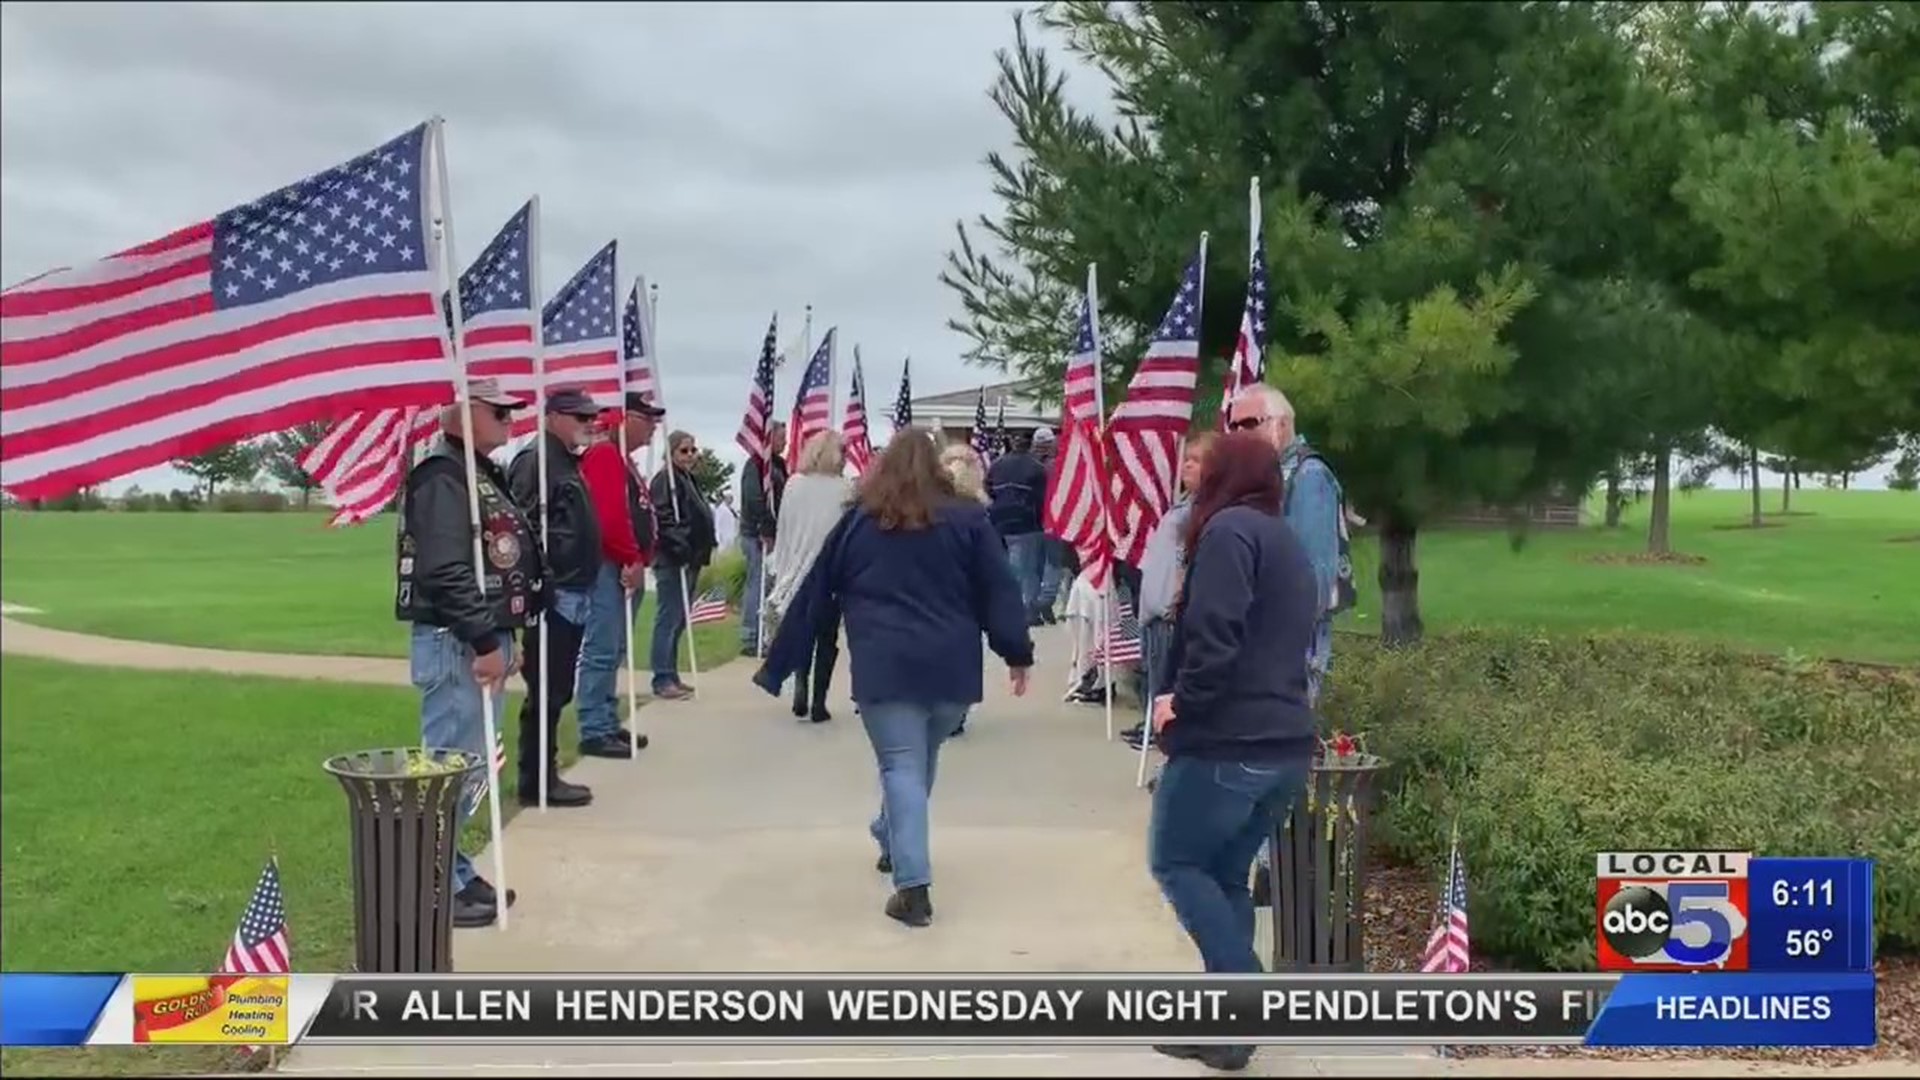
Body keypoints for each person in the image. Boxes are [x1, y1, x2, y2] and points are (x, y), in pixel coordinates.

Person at [752, 431, 1033, 928]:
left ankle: (913, 887)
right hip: (951, 669)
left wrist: (779, 663)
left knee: (903, 766)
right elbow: (1000, 589)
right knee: (918, 760)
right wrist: (1015, 651)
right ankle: (892, 834)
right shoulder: (969, 520)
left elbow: (817, 592)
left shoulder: (859, 523)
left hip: (885, 665)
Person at [1146, 432, 1319, 1073]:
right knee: (1223, 876)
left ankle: (1242, 1002)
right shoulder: (1286, 542)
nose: (1193, 480)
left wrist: (1179, 703)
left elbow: (1215, 636)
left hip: (1229, 741)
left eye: (1204, 469)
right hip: (1285, 745)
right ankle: (1224, 1025)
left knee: (1175, 862)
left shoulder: (1227, 535)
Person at [394, 379, 543, 928]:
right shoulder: (442, 476)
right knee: (446, 768)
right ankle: (431, 885)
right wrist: (485, 639)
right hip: (455, 641)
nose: (509, 418)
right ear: (461, 413)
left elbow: (500, 563)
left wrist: (508, 635)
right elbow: (445, 569)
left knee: (468, 768)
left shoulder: (479, 475)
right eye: (498, 410)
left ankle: (452, 870)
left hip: (478, 637)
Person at [1225, 384, 1349, 906]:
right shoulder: (1269, 481)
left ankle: (1276, 872)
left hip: (1292, 651)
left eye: (1246, 425)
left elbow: (1316, 581)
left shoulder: (1310, 479)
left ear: (1279, 424)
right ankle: (1263, 867)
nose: (1236, 436)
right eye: (1231, 427)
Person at [502, 387, 601, 807]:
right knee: (547, 687)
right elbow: (520, 528)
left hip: (574, 589)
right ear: (556, 417)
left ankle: (544, 773)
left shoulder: (566, 463)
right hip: (556, 591)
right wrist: (544, 579)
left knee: (558, 686)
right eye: (580, 418)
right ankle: (536, 779)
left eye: (590, 418)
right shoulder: (537, 462)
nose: (588, 425)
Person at [575, 391, 666, 758]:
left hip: (622, 564)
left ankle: (607, 721)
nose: (653, 428)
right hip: (608, 565)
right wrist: (630, 558)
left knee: (615, 648)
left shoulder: (621, 459)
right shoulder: (605, 454)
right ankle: (594, 726)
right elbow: (609, 517)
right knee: (602, 647)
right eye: (648, 419)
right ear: (625, 418)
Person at [1124, 432, 1216, 753]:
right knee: (1152, 678)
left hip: (1169, 614)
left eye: (1196, 460)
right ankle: (1151, 726)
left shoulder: (1204, 513)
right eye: (1186, 459)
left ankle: (1166, 744)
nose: (1187, 465)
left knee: (1166, 684)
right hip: (1153, 612)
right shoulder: (1183, 505)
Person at [766, 430, 856, 723]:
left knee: (802, 631)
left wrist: (782, 565)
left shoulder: (794, 485)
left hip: (797, 570)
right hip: (830, 573)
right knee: (826, 638)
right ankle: (819, 700)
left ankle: (801, 688)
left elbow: (785, 527)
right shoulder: (845, 490)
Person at [649, 430, 717, 699]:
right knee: (668, 618)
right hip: (673, 559)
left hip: (691, 559)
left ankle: (671, 674)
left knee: (678, 620)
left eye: (693, 450)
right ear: (671, 452)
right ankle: (662, 677)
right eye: (684, 450)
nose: (690, 455)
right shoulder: (665, 480)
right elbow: (663, 519)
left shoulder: (687, 479)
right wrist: (680, 545)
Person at [984, 430, 1049, 623]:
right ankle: (1026, 610)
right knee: (1028, 569)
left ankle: (1007, 608)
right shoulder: (1037, 468)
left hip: (999, 523)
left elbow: (987, 490)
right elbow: (1043, 498)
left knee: (1007, 568)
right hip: (1027, 523)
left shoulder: (996, 466)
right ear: (1030, 445)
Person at [739, 421, 789, 657]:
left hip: (775, 533)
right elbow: (754, 499)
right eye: (781, 438)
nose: (786, 442)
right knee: (756, 583)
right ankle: (750, 636)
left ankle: (766, 635)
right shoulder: (755, 466)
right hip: (756, 534)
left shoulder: (779, 465)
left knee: (768, 585)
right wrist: (765, 527)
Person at [1029, 428, 1068, 621]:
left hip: (1031, 522)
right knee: (1054, 564)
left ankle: (1036, 603)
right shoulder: (1057, 466)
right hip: (1054, 520)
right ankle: (1045, 601)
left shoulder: (1028, 465)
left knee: (1034, 566)